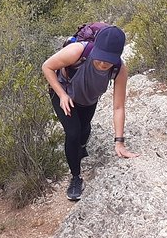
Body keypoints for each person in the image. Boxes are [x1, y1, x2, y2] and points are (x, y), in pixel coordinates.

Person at [42, 25, 139, 201]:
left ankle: (80, 149)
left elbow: (118, 107)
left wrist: (119, 142)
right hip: (64, 93)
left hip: (88, 98)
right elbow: (47, 67)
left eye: (108, 60)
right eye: (101, 58)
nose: (103, 64)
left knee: (85, 129)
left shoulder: (119, 70)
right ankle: (75, 177)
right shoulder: (78, 51)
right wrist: (62, 94)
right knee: (73, 132)